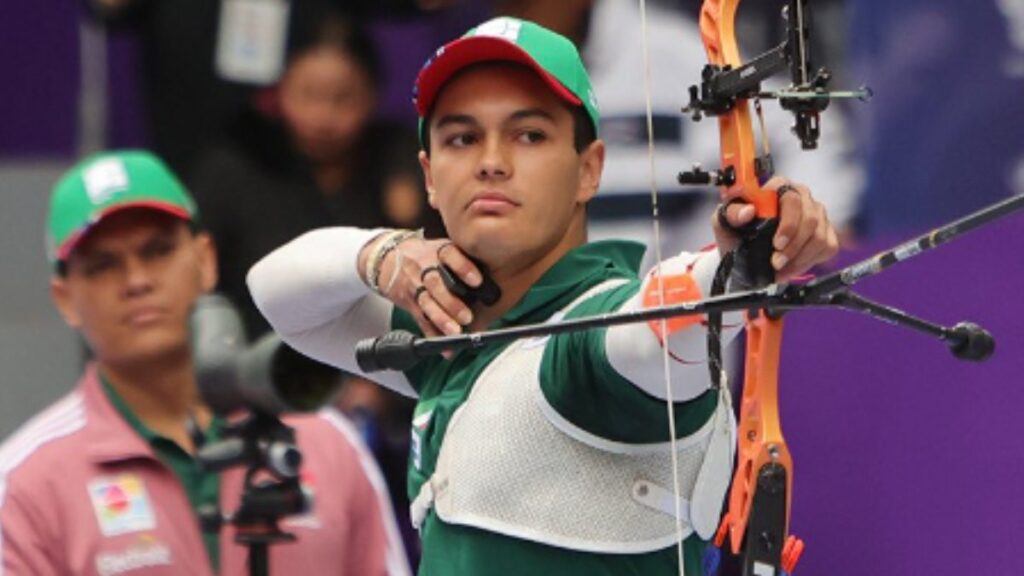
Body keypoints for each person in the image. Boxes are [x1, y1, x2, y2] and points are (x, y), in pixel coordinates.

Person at [247, 17, 838, 576]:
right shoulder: (448, 331)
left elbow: (656, 329)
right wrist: (384, 255)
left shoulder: (595, 343)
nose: (492, 163)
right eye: (462, 138)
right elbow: (277, 295)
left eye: (529, 135)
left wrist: (740, 266)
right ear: (429, 175)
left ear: (590, 169)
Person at [0, 150, 409, 575]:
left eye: (158, 250)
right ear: (65, 299)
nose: (137, 280)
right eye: (104, 265)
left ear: (205, 260)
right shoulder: (25, 483)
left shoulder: (329, 444)